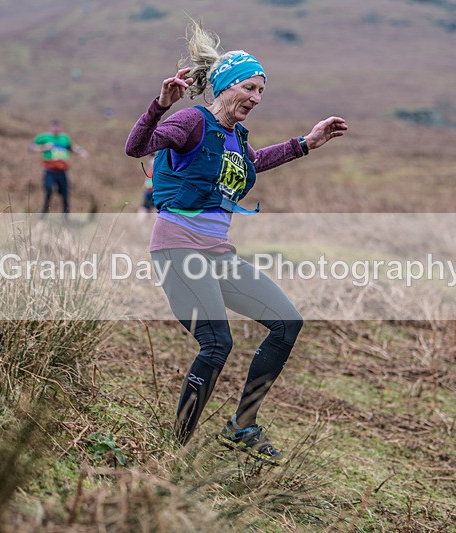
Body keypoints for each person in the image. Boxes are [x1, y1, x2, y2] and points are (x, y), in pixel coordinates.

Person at [125, 21, 347, 464]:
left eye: (261, 91)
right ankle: (177, 447)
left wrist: (306, 143)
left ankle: (241, 426)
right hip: (179, 249)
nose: (256, 98)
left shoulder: (233, 136)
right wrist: (159, 105)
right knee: (217, 343)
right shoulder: (192, 120)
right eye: (250, 87)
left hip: (218, 253)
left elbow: (251, 162)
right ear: (226, 87)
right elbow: (137, 147)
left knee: (287, 322)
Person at [27, 119, 88, 215]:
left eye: (58, 127)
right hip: (49, 171)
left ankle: (66, 219)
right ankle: (43, 216)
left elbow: (70, 147)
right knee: (48, 191)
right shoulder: (43, 137)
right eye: (54, 127)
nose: (56, 129)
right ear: (50, 127)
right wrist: (44, 148)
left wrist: (81, 151)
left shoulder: (64, 138)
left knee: (65, 195)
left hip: (62, 172)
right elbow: (30, 148)